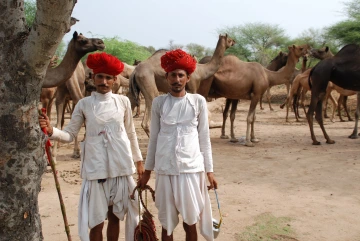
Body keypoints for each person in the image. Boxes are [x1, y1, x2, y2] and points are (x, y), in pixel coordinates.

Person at [39, 52, 144, 241]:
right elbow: (70, 135)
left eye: (108, 78)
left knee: (115, 218)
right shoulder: (84, 105)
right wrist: (51, 131)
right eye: (100, 77)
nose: (104, 81)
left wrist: (139, 161)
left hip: (121, 168)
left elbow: (131, 133)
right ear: (92, 77)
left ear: (114, 80)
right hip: (96, 170)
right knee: (96, 222)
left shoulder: (123, 102)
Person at [137, 49, 218, 241]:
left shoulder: (197, 102)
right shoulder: (159, 103)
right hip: (165, 170)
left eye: (181, 75)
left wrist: (210, 171)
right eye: (172, 75)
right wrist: (147, 172)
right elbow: (154, 139)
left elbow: (204, 138)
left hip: (191, 169)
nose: (176, 79)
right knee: (167, 224)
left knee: (190, 222)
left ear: (188, 78)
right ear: (166, 77)